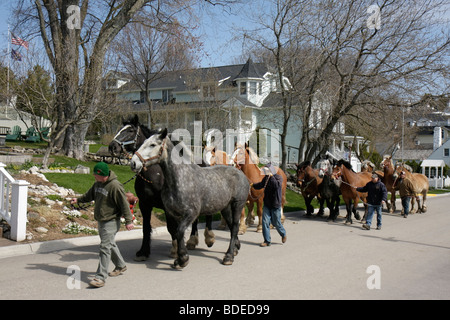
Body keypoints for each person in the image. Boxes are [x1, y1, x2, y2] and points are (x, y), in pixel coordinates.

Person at [71, 162, 134, 288]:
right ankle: (121, 265)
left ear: (103, 175)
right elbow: (90, 195)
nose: (94, 177)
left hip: (111, 221)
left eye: (96, 175)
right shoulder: (98, 184)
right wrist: (78, 200)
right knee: (110, 244)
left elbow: (124, 204)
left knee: (104, 247)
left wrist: (129, 221)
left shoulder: (115, 186)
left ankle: (100, 277)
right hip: (101, 220)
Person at [251, 163, 287, 247]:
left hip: (275, 205)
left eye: (267, 170)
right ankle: (267, 241)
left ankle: (283, 234)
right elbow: (261, 185)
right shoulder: (266, 178)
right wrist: (253, 185)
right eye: (265, 171)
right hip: (267, 204)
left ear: (271, 171)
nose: (265, 172)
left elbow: (276, 185)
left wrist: (271, 177)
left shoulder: (278, 178)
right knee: (265, 222)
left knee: (276, 223)